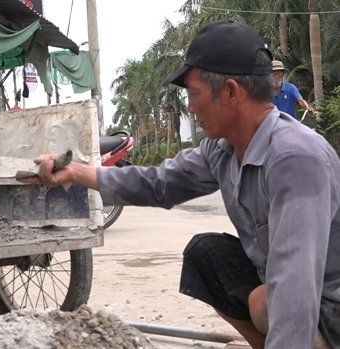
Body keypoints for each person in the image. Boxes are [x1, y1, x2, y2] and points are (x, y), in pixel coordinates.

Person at [19, 21, 340, 349]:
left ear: (230, 92)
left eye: (194, 94)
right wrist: (77, 172)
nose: (189, 107)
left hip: (328, 301)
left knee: (273, 299)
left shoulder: (295, 160)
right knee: (207, 256)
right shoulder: (224, 148)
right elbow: (159, 183)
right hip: (285, 288)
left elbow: (295, 286)